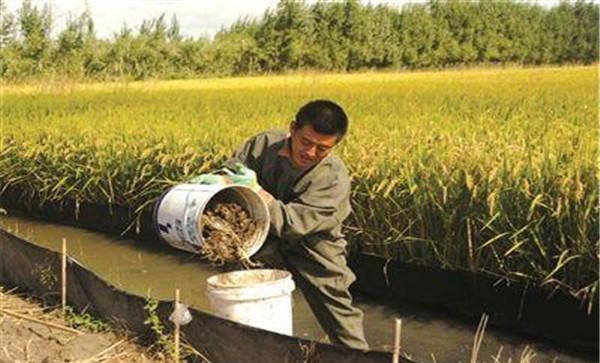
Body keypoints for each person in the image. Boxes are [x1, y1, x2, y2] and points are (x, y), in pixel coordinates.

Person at [224, 99, 369, 350]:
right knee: (240, 284)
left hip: (314, 244)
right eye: (306, 142)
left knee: (338, 310)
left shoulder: (333, 178)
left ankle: (359, 357)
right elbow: (228, 175)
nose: (310, 153)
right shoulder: (262, 145)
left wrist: (257, 192)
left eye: (322, 149)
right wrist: (222, 180)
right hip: (261, 236)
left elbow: (292, 224)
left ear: (335, 146)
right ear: (292, 129)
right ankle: (247, 349)